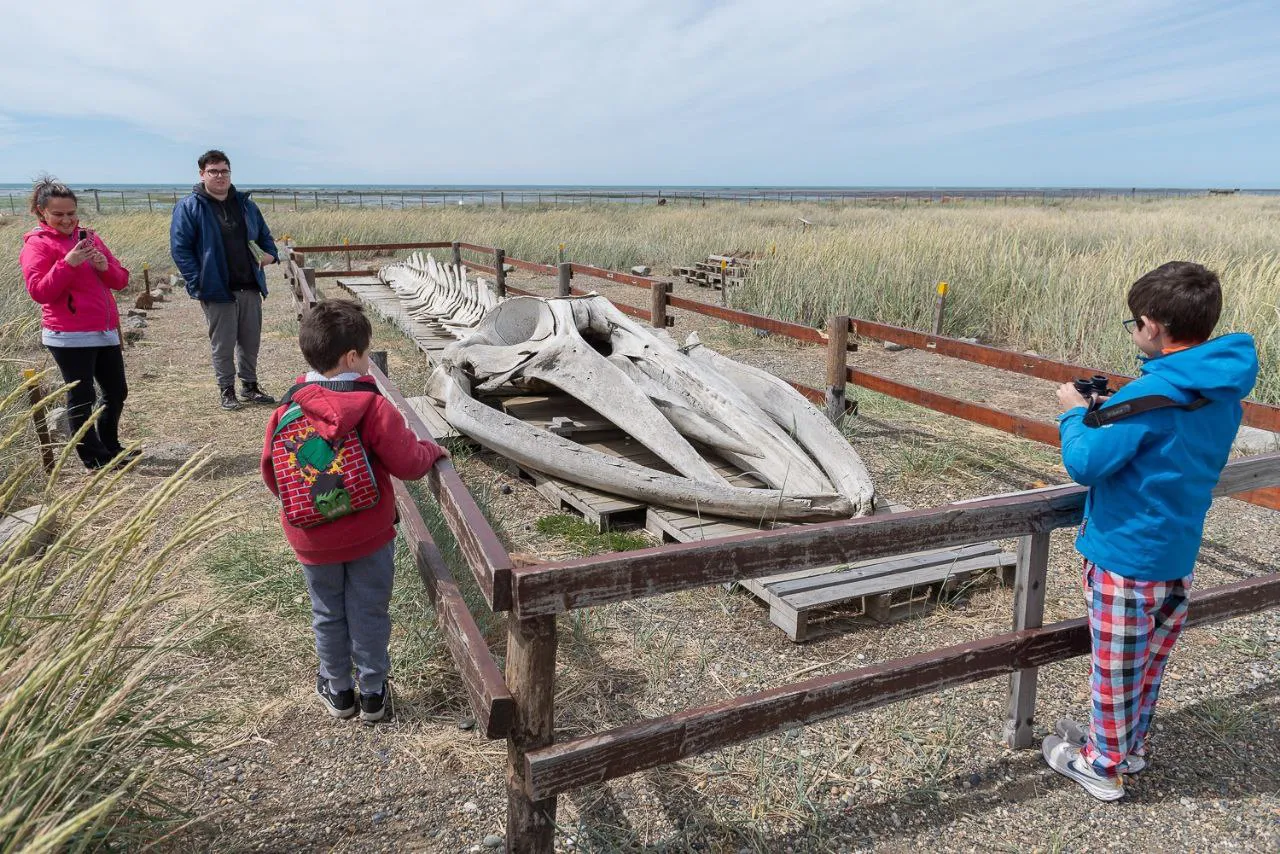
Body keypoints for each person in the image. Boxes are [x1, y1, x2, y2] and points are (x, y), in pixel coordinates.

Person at [1042, 261, 1258, 801]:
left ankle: (1102, 765)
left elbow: (1087, 463)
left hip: (1125, 552)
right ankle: (1128, 745)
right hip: (1176, 549)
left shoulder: (1149, 396)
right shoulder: (1221, 389)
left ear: (1151, 325)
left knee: (1115, 667)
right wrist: (1108, 412)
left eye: (1133, 324)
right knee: (1148, 660)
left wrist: (1074, 414)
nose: (1134, 333)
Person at [260, 300, 446, 722]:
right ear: (351, 357)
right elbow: (408, 464)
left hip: (312, 538)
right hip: (369, 533)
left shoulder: (288, 407)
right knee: (369, 609)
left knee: (327, 611)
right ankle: (375, 692)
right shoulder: (372, 406)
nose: (367, 363)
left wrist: (311, 510)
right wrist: (432, 449)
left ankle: (339, 691)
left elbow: (272, 474)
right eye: (365, 354)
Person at [19, 177, 135, 470]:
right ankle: (93, 458)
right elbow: (39, 291)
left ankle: (111, 446)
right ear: (41, 212)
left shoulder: (89, 237)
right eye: (58, 214)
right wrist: (67, 264)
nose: (67, 220)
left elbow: (121, 280)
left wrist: (103, 267)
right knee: (82, 396)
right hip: (67, 335)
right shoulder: (38, 244)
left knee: (116, 391)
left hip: (103, 330)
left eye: (71, 213)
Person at [170, 149, 279, 411]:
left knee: (250, 340)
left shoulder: (246, 205)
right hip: (217, 288)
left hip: (250, 284)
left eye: (224, 171)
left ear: (230, 173)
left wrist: (270, 256)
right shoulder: (189, 206)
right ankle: (226, 390)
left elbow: (265, 238)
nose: (220, 176)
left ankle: (250, 386)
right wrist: (199, 283)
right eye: (213, 171)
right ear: (202, 174)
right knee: (223, 343)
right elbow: (181, 249)